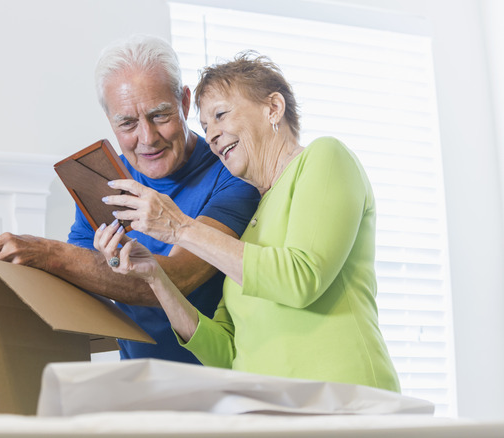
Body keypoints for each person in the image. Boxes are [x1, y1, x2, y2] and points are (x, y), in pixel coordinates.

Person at [94, 50, 401, 392]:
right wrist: (155, 277)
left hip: (346, 404)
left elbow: (301, 278)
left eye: (221, 115)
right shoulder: (252, 221)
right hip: (272, 413)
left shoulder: (325, 157)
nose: (211, 136)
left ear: (273, 108)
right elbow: (225, 351)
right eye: (206, 127)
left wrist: (180, 227)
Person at [0, 35, 260, 363]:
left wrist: (48, 253)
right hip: (138, 377)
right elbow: (78, 284)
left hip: (223, 374)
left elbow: (181, 277)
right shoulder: (104, 180)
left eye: (160, 115)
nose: (147, 138)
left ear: (183, 102)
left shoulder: (231, 171)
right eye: (127, 123)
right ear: (110, 121)